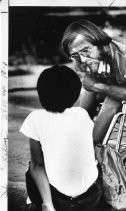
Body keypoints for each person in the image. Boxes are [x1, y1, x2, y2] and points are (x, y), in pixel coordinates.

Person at [20, 65, 103, 211]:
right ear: (75, 94)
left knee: (33, 166)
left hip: (60, 202)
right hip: (91, 198)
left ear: (42, 93)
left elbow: (37, 166)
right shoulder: (81, 114)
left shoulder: (36, 118)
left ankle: (43, 204)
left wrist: (49, 204)